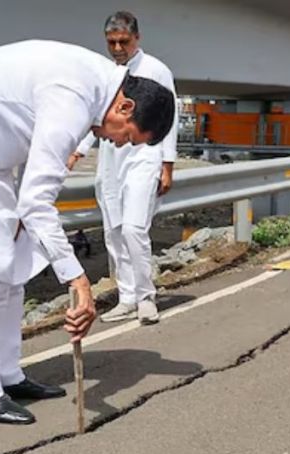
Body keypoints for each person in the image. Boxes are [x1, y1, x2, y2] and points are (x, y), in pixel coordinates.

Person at [0, 40, 175, 425]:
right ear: (125, 107)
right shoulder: (74, 100)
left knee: (14, 259)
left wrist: (27, 223)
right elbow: (35, 201)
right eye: (128, 135)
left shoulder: (95, 88)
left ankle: (8, 374)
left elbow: (36, 180)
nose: (118, 143)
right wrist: (79, 281)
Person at [66, 11, 180, 325]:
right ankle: (126, 297)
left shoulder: (157, 70)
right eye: (112, 42)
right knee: (113, 232)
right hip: (111, 158)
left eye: (123, 41)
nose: (117, 48)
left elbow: (169, 119)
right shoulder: (104, 73)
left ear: (137, 38)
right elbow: (94, 117)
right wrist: (77, 152)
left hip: (145, 155)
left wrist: (167, 165)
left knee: (133, 229)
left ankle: (146, 298)